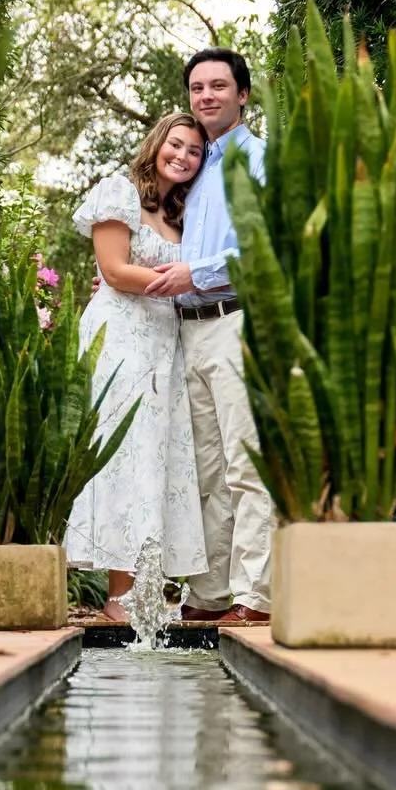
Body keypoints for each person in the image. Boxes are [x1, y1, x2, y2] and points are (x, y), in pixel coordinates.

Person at [64, 112, 209, 620]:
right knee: (125, 449)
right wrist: (182, 281)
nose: (183, 157)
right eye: (177, 144)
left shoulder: (184, 214)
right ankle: (117, 598)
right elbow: (114, 269)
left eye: (194, 151)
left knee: (159, 458)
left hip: (165, 343)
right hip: (121, 337)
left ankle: (147, 593)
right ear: (157, 143)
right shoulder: (119, 192)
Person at [146, 48, 273, 625]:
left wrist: (194, 274)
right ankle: (211, 594)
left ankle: (255, 596)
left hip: (236, 318)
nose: (207, 96)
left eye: (219, 86)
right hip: (188, 332)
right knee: (205, 471)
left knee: (245, 461)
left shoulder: (260, 160)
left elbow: (266, 244)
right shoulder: (193, 174)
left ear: (243, 94)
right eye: (197, 88)